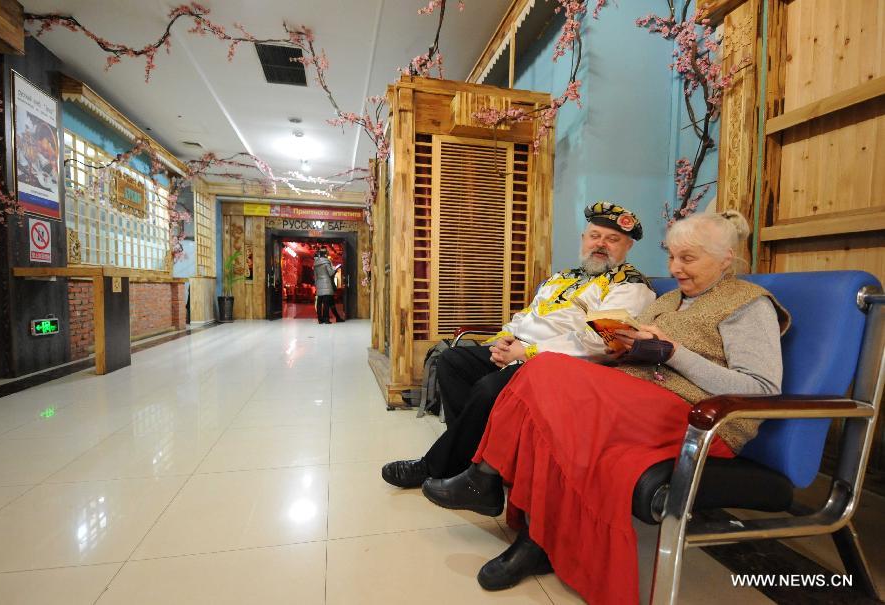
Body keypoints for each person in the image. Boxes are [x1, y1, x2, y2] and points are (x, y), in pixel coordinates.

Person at [420, 210, 791, 604]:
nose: (674, 268)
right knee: (545, 383)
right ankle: (533, 534)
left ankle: (488, 480)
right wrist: (625, 343)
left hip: (694, 419)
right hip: (632, 397)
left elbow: (762, 388)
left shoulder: (747, 304)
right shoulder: (669, 300)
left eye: (688, 259)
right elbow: (621, 346)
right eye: (672, 257)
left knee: (544, 375)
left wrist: (673, 352)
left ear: (725, 259)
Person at [381, 202, 656, 489]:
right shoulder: (563, 277)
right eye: (594, 236)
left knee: (489, 388)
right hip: (519, 351)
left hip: (560, 367)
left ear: (627, 247)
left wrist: (527, 352)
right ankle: (472, 459)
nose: (601, 244)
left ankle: (434, 466)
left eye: (612, 239)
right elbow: (527, 315)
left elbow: (600, 344)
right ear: (583, 239)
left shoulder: (630, 287)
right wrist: (504, 339)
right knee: (452, 361)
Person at [314, 248, 344, 323]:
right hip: (327, 283)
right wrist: (335, 269)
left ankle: (320, 320)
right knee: (327, 302)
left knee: (319, 302)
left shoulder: (316, 263)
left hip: (319, 283)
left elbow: (315, 276)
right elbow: (330, 273)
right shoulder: (327, 262)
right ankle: (326, 319)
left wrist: (317, 284)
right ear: (326, 255)